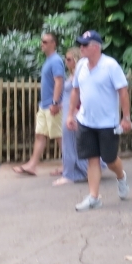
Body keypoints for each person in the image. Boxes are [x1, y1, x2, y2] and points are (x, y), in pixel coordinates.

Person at [66, 31, 132, 211]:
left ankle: (121, 176)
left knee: (110, 160)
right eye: (81, 44)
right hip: (86, 121)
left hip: (107, 123)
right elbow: (75, 91)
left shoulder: (110, 65)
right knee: (92, 159)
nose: (81, 48)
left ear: (96, 47)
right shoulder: (81, 66)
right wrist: (71, 114)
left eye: (85, 45)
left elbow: (123, 91)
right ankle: (94, 197)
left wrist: (126, 118)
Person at [13, 31, 64, 176]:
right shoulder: (48, 60)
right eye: (42, 41)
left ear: (53, 44)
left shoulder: (55, 61)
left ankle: (69, 166)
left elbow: (59, 81)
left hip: (52, 105)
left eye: (46, 42)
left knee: (59, 137)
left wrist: (55, 102)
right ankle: (32, 166)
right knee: (40, 135)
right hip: (44, 105)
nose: (42, 44)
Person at [52, 46, 96, 186]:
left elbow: (82, 93)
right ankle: (77, 171)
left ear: (76, 59)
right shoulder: (73, 74)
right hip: (68, 111)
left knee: (71, 144)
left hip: (74, 114)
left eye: (69, 59)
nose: (66, 61)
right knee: (70, 144)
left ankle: (71, 174)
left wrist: (76, 111)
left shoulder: (81, 74)